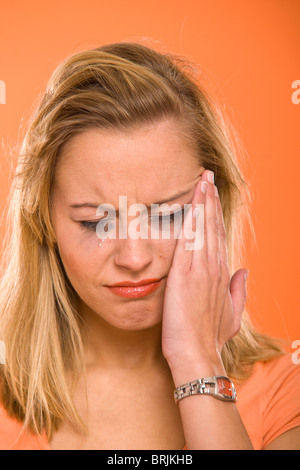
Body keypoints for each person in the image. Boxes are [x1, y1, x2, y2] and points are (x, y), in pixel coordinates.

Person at [0, 41, 299, 450]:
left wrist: (199, 363)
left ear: (213, 204)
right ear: (43, 220)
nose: (136, 258)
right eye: (96, 221)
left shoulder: (287, 389)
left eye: (167, 215)